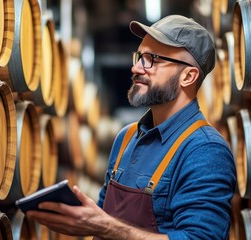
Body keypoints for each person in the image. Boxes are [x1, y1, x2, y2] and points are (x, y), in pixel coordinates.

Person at [26, 15, 237, 239]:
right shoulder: (126, 138)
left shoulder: (204, 150)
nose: (136, 67)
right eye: (139, 56)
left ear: (188, 76)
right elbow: (104, 220)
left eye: (152, 59)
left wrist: (105, 227)